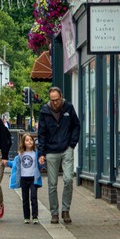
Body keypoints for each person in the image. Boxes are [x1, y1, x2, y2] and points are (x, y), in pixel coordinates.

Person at [37, 86, 80, 224]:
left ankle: (65, 210)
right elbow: (41, 133)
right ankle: (54, 213)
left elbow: (76, 125)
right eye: (52, 100)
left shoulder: (68, 108)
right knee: (52, 184)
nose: (54, 102)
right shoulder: (44, 111)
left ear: (61, 97)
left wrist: (72, 144)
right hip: (51, 150)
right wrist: (42, 153)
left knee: (68, 179)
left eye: (57, 100)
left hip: (66, 148)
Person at [7, 133, 43, 224]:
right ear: (23, 142)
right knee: (25, 198)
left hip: (33, 178)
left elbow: (40, 165)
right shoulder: (20, 155)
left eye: (31, 140)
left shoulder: (36, 153)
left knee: (34, 197)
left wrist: (42, 163)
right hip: (23, 178)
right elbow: (15, 164)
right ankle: (26, 217)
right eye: (27, 140)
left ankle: (35, 216)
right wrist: (6, 163)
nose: (29, 142)